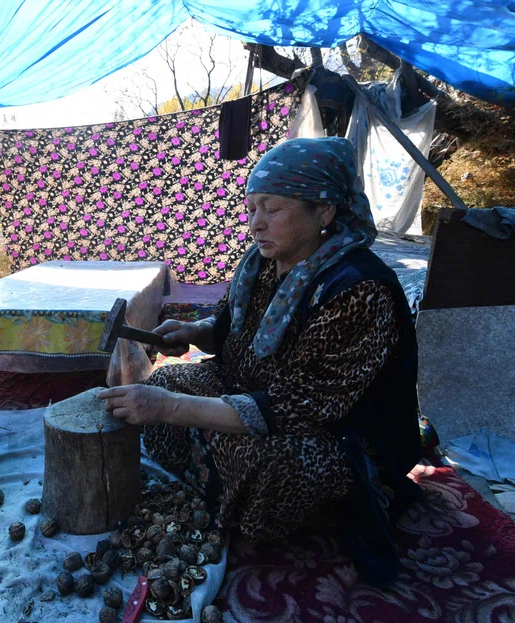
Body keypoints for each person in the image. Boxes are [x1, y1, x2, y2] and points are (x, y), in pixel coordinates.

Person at [97, 137, 422, 585]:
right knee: (172, 377)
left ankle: (334, 494)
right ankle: (208, 477)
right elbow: (232, 324)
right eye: (252, 209)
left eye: (273, 208)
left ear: (323, 211)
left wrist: (168, 408)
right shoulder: (262, 262)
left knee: (262, 463)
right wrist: (197, 332)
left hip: (335, 432)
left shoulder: (358, 289)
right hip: (252, 387)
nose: (256, 224)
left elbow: (298, 407)